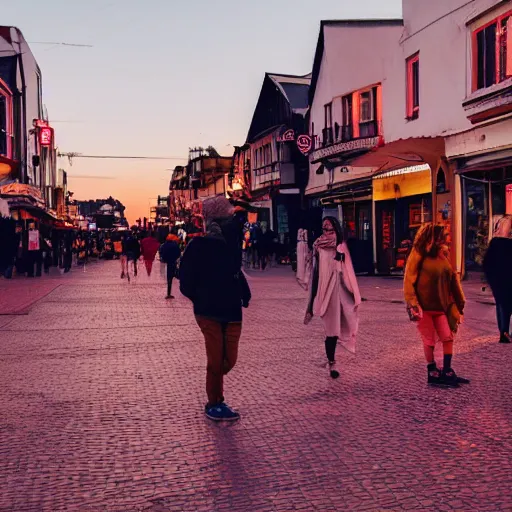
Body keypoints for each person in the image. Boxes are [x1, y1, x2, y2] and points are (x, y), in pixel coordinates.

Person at [180, 196, 251, 422]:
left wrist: (244, 292)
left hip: (231, 309)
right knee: (215, 359)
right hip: (208, 311)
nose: (233, 220)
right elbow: (185, 281)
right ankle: (214, 402)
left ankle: (216, 396)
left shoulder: (231, 245)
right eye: (228, 216)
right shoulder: (198, 245)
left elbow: (236, 271)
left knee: (229, 359)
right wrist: (200, 298)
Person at [404, 224, 468, 388]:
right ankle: (432, 371)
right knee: (429, 341)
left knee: (447, 337)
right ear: (434, 237)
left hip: (441, 307)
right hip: (423, 307)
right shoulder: (418, 253)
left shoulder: (443, 255)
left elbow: (453, 279)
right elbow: (409, 279)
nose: (447, 238)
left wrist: (460, 303)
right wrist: (412, 303)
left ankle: (446, 371)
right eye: (444, 235)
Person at [304, 217, 361, 379]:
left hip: (339, 292)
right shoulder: (318, 247)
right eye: (324, 229)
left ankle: (332, 362)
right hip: (325, 292)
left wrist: (352, 293)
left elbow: (348, 271)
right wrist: (311, 301)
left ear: (336, 230)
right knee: (330, 330)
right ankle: (331, 361)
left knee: (336, 329)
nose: (327, 233)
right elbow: (315, 273)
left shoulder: (340, 246)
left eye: (330, 230)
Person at [483, 215, 512, 344]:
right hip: (503, 279)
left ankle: (503, 332)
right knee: (504, 305)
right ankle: (504, 332)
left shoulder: (495, 244)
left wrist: (491, 279)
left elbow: (486, 263)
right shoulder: (498, 244)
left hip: (499, 280)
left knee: (502, 305)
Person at [159, 234, 181, 299]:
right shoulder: (175, 245)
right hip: (173, 262)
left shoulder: (163, 245)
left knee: (169, 278)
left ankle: (168, 293)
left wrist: (163, 258)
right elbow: (178, 253)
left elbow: (161, 252)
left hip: (167, 262)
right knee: (176, 275)